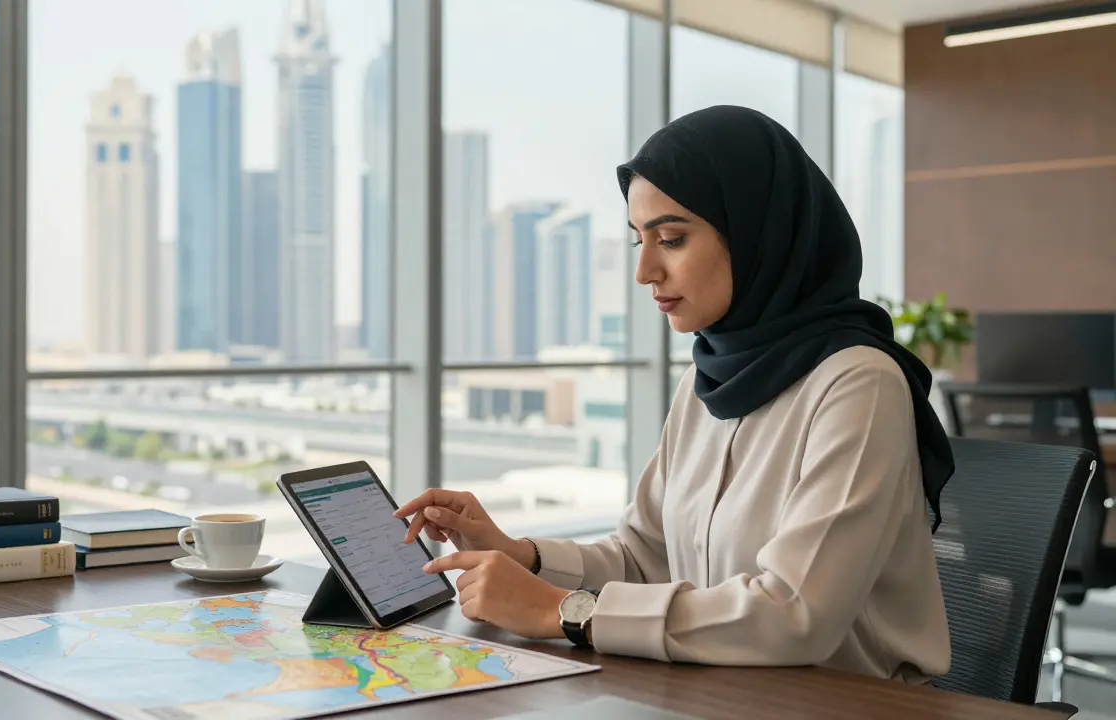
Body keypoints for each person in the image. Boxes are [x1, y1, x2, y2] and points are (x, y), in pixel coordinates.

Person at [393, 105, 954, 684]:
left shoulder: (858, 383)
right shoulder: (708, 379)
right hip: (720, 690)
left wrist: (556, 610)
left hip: (848, 703)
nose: (645, 271)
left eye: (671, 238)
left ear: (758, 232)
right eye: (639, 239)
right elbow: (644, 557)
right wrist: (523, 557)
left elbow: (795, 613)